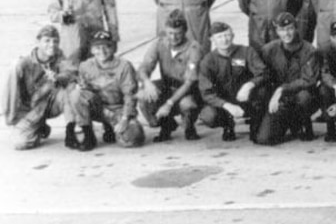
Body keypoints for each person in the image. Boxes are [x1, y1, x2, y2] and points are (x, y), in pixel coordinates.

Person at [65, 29, 144, 150]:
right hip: (98, 108)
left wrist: (124, 119)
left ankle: (110, 127)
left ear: (114, 48)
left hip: (118, 109)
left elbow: (130, 95)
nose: (102, 51)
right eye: (97, 47)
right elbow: (82, 93)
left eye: (107, 46)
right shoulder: (85, 66)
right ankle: (88, 135)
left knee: (132, 139)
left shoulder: (124, 66)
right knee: (76, 94)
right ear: (91, 50)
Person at [136, 10, 205, 142]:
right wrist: (147, 83)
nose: (173, 38)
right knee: (143, 96)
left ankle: (189, 126)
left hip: (188, 90)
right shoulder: (159, 44)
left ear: (185, 31)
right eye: (170, 33)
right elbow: (144, 67)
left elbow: (189, 82)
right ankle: (166, 124)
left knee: (187, 104)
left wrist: (168, 103)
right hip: (167, 85)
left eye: (178, 33)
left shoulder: (194, 48)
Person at [197, 22, 269, 143]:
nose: (224, 40)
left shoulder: (246, 52)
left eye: (227, 35)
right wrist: (227, 105)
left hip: (245, 98)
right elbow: (206, 93)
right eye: (219, 37)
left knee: (262, 91)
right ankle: (227, 125)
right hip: (223, 103)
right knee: (208, 116)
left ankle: (255, 124)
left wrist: (249, 85)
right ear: (212, 39)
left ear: (233, 35)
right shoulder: (208, 61)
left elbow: (263, 72)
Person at [258, 12, 322, 145]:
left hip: (300, 96)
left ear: (296, 28)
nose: (286, 34)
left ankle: (304, 122)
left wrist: (282, 89)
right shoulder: (268, 50)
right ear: (276, 31)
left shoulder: (309, 50)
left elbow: (308, 80)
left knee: (305, 96)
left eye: (290, 29)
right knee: (264, 139)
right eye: (281, 30)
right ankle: (285, 123)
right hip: (279, 101)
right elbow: (262, 74)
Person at [9, 25, 74, 150]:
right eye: (47, 41)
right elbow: (12, 94)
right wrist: (13, 118)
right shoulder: (23, 64)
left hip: (50, 104)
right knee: (20, 143)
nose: (52, 45)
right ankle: (39, 127)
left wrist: (58, 77)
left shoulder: (60, 57)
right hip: (30, 109)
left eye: (55, 41)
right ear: (38, 42)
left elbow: (70, 72)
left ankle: (71, 130)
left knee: (72, 89)